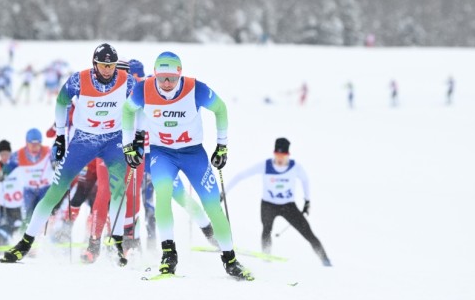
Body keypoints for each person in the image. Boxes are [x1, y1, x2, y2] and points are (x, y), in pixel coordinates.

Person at [121, 51, 252, 280]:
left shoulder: (195, 88)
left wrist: (222, 146)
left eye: (171, 78)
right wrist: (128, 145)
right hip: (163, 154)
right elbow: (127, 110)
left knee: (212, 205)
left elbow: (220, 109)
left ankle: (230, 259)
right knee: (163, 194)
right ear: (155, 75)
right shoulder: (144, 89)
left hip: (194, 154)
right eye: (162, 78)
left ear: (180, 74)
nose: (167, 83)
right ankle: (169, 254)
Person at [1, 43, 135, 264]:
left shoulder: (126, 80)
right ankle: (25, 243)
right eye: (103, 65)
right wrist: (61, 136)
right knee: (56, 190)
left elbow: (137, 107)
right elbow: (61, 103)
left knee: (118, 190)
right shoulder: (78, 80)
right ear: (95, 64)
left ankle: (118, 243)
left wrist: (134, 139)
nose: (107, 70)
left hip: (113, 140)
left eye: (111, 66)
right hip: (84, 140)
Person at [224, 138, 331, 266]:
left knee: (308, 233)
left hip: (288, 206)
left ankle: (326, 261)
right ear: (274, 153)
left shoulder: (295, 167)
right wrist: (224, 192)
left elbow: (305, 180)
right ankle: (266, 258)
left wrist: (307, 201)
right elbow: (241, 176)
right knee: (266, 230)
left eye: (283, 156)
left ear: (288, 155)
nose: (280, 159)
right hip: (268, 205)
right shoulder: (266, 165)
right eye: (277, 155)